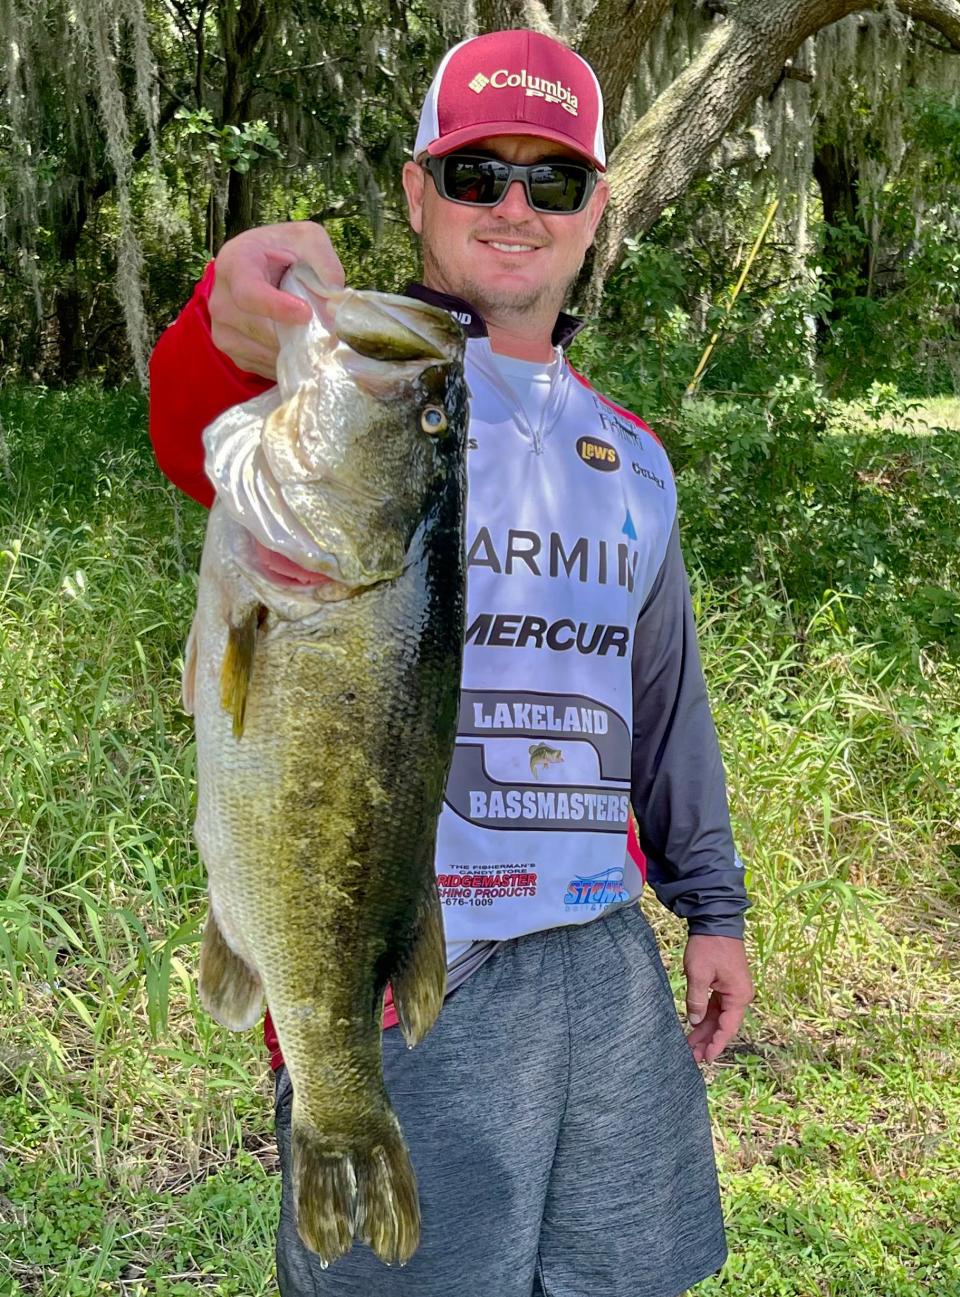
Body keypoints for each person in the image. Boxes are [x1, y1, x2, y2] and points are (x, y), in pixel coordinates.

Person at [149, 28, 754, 1297]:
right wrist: (229, 313)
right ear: (419, 192)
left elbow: (664, 702)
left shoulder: (634, 457)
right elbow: (203, 407)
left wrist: (713, 906)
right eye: (479, 172)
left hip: (603, 953)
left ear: (598, 211)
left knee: (625, 1268)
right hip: (414, 964)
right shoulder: (363, 375)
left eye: (555, 179)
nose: (516, 206)